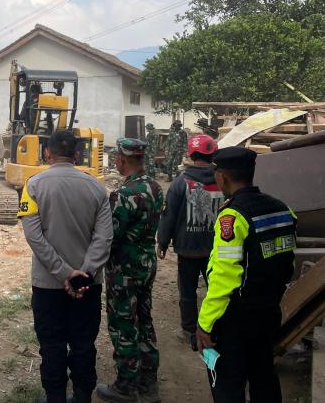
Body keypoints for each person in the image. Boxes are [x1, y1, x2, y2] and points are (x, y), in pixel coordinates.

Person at [18, 130, 113, 403]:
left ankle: (55, 397)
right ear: (78, 154)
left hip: (48, 285)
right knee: (84, 343)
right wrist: (84, 273)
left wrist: (62, 273)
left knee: (51, 345)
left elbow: (34, 237)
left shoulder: (33, 185)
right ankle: (83, 396)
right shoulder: (97, 187)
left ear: (46, 153)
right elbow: (104, 237)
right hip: (87, 286)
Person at [196, 147, 296, 403]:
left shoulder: (232, 217)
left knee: (228, 385)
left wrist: (204, 324)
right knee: (263, 376)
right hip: (269, 311)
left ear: (222, 177)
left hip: (236, 321)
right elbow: (287, 264)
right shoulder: (283, 209)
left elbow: (223, 279)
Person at [97, 139, 164, 403]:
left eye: (117, 158)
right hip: (147, 263)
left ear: (122, 160)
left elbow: (111, 234)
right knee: (145, 320)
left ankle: (125, 386)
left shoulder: (125, 195)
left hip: (124, 268)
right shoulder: (156, 187)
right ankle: (148, 383)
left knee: (124, 324)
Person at [157, 134, 223, 351]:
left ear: (191, 155)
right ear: (212, 155)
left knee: (187, 292)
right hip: (217, 250)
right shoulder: (223, 180)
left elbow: (169, 216)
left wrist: (163, 242)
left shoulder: (180, 183)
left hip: (188, 249)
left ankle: (189, 331)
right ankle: (216, 328)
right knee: (216, 290)